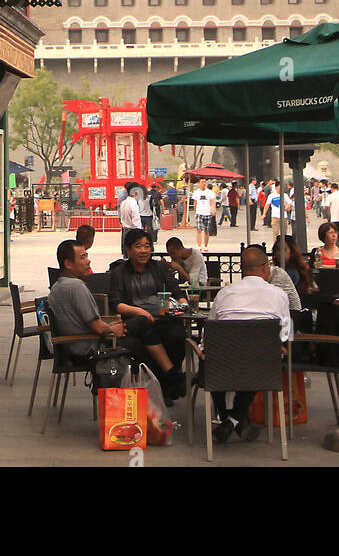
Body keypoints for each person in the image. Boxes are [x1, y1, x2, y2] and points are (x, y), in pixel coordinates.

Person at [205, 245, 291, 443]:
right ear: (265, 267)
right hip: (263, 368)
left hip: (222, 366)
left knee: (212, 360)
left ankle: (229, 419)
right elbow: (285, 334)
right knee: (257, 355)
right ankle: (235, 420)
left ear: (242, 269)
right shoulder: (278, 295)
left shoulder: (225, 294)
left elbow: (210, 330)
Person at [108, 229, 188, 401]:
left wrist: (183, 303)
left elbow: (176, 290)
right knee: (140, 342)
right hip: (137, 323)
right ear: (128, 249)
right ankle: (171, 381)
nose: (144, 251)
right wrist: (139, 311)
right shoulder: (119, 273)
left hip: (164, 318)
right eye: (138, 246)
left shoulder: (159, 267)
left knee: (178, 336)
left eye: (147, 246)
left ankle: (167, 385)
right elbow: (116, 304)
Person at [47, 238, 138, 362]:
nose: (88, 261)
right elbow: (98, 328)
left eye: (86, 256)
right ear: (68, 264)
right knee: (139, 341)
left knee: (139, 326)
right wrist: (113, 329)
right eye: (83, 257)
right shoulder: (76, 286)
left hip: (71, 346)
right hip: (86, 348)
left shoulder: (57, 286)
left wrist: (109, 326)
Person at [192, 178, 217, 250]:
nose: (203, 183)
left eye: (204, 182)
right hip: (199, 212)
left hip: (207, 212)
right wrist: (195, 211)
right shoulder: (196, 192)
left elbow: (213, 201)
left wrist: (213, 210)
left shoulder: (210, 192)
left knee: (206, 231)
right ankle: (199, 246)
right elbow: (195, 203)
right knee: (199, 230)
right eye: (202, 182)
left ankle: (205, 246)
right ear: (199, 183)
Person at [118, 183, 142, 252]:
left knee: (126, 255)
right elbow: (136, 220)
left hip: (125, 229)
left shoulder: (124, 202)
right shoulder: (133, 204)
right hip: (133, 231)